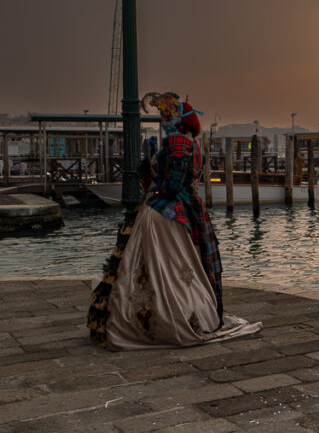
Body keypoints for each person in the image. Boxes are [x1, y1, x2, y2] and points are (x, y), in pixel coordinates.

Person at [87, 94, 261, 349]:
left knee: (159, 263)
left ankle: (160, 318)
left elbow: (173, 183)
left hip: (168, 210)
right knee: (183, 264)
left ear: (180, 122)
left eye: (167, 116)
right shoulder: (191, 142)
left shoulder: (178, 140)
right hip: (186, 208)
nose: (162, 120)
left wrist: (155, 191)